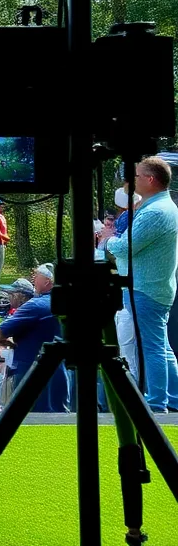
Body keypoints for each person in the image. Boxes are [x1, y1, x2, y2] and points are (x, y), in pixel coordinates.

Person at [99, 157, 178, 412]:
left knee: (152, 348)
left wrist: (107, 240)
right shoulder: (163, 206)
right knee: (161, 346)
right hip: (155, 287)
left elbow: (124, 247)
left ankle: (157, 404)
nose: (131, 181)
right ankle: (173, 398)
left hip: (146, 289)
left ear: (151, 180)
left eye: (137, 176)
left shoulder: (155, 212)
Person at [0, 265, 68, 412]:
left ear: (47, 281)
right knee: (59, 417)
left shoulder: (35, 306)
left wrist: (7, 342)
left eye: (36, 275)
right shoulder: (67, 303)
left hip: (31, 370)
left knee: (29, 418)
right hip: (60, 371)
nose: (33, 278)